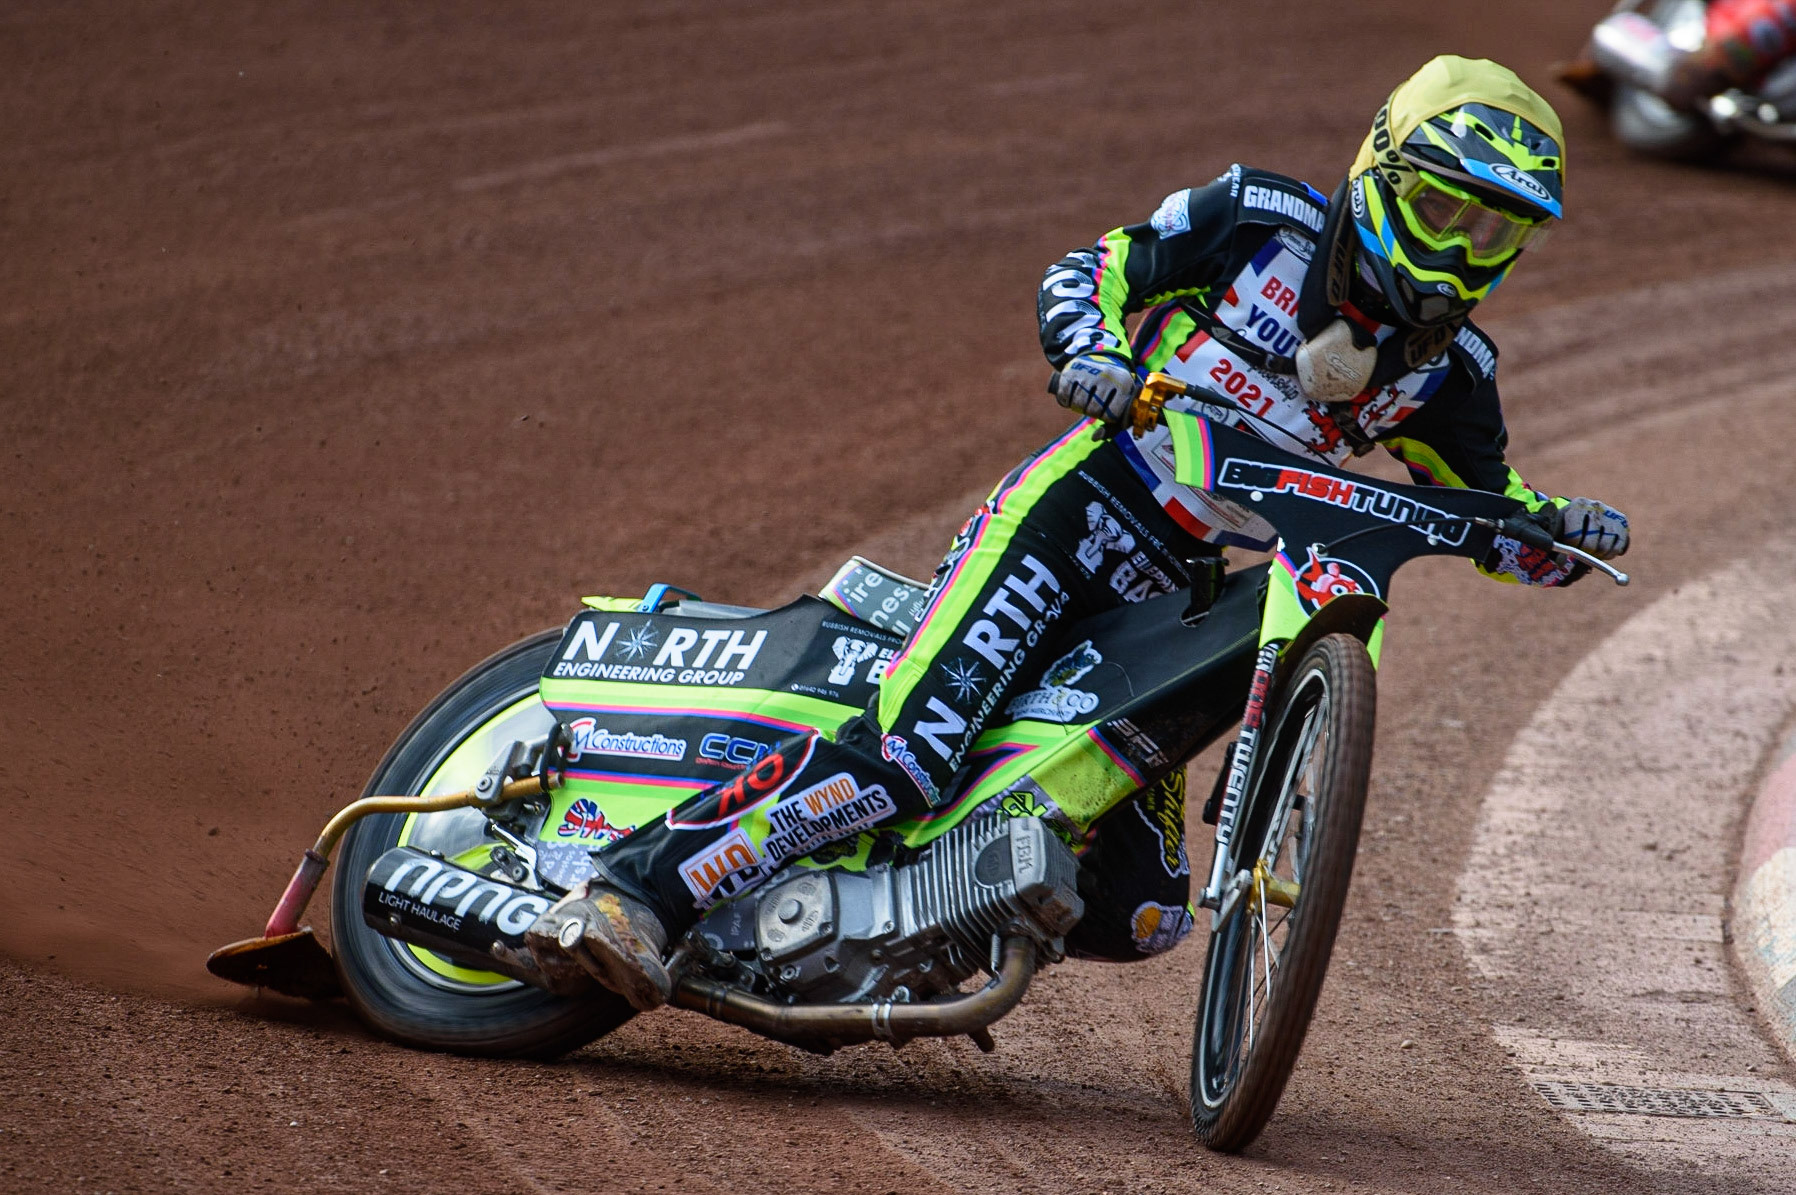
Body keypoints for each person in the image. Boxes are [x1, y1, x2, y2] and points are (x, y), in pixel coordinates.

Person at [525, 55, 1632, 1012]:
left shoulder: (1452, 376)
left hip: (1174, 598)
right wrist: (1093, 352)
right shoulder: (1262, 219)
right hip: (1079, 509)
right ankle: (637, 887)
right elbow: (1093, 267)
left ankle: (891, 926)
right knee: (907, 754)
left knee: (1142, 910)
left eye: (1493, 229)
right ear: (1382, 170)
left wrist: (1557, 532)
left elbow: (1494, 511)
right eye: (1444, 209)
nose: (1461, 247)